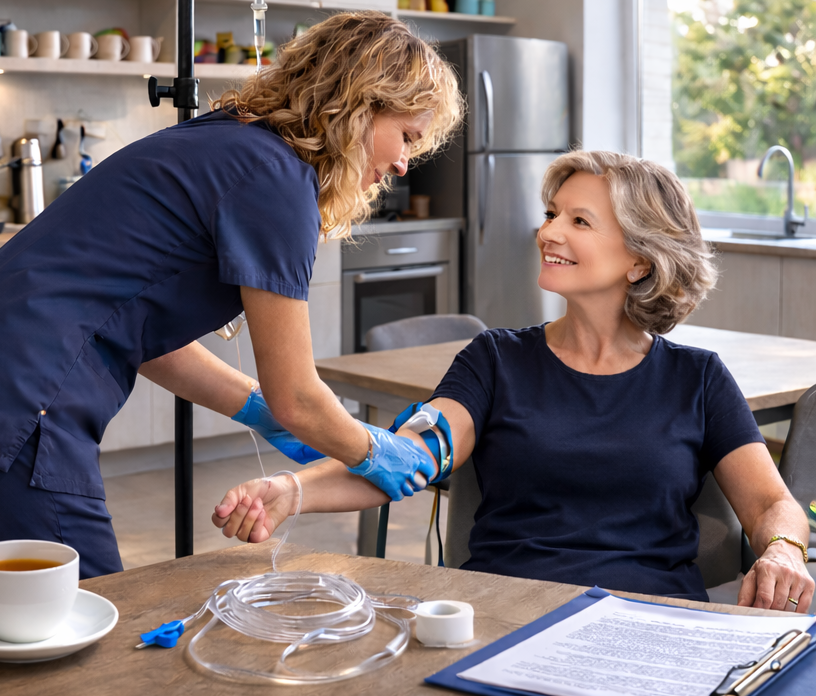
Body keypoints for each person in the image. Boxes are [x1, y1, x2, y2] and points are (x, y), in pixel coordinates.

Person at [0, 12, 463, 610]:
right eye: (407, 136)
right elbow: (299, 396)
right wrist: (376, 449)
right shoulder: (279, 180)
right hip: (13, 407)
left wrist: (257, 409)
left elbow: (138, 327)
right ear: (361, 104)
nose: (405, 163)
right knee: (77, 645)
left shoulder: (222, 142)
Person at [214, 150, 815, 613]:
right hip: (505, 614)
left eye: (580, 220)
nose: (549, 232)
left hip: (650, 619)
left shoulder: (698, 378)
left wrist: (785, 550)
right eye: (552, 214)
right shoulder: (495, 361)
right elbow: (412, 456)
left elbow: (771, 504)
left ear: (640, 259)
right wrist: (294, 491)